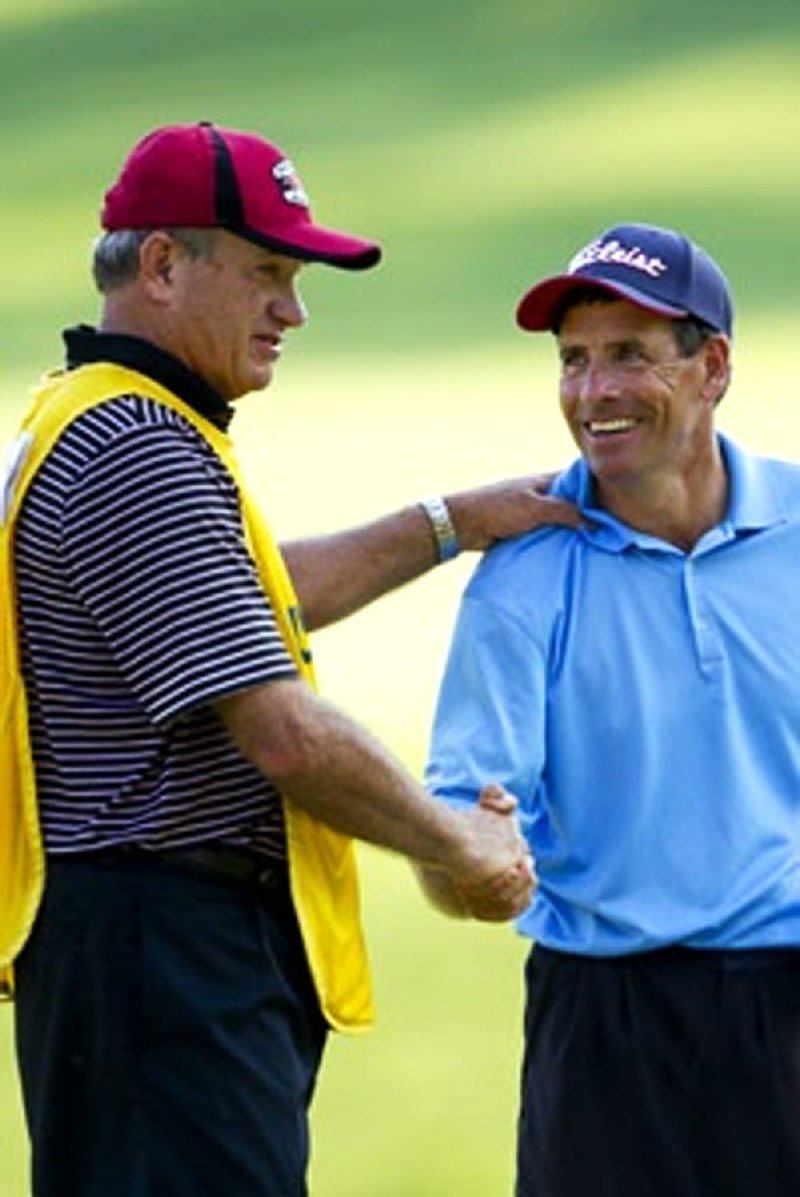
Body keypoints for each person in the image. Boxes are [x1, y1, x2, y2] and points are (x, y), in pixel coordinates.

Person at [0, 121, 580, 1197]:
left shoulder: (98, 415)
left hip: (138, 963)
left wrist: (450, 521)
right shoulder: (136, 446)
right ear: (165, 264)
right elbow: (286, 737)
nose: (293, 309)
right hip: (163, 965)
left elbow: (246, 602)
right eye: (268, 271)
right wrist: (458, 842)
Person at [423, 222, 800, 1196]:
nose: (591, 394)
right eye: (572, 361)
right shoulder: (523, 578)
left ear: (709, 365)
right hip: (605, 1025)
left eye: (626, 355)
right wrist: (468, 872)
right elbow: (459, 822)